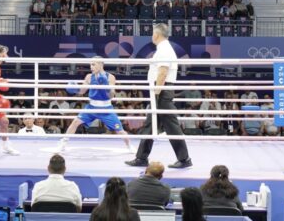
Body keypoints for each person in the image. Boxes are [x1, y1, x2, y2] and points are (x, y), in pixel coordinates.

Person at [125, 23, 192, 168]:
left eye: (152, 33)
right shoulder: (164, 48)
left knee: (172, 126)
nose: (151, 36)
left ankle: (184, 159)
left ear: (156, 34)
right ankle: (141, 158)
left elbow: (162, 72)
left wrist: (156, 93)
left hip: (161, 90)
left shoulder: (164, 49)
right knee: (150, 125)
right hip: (160, 90)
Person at [56, 56, 135, 153]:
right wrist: (75, 89)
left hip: (106, 109)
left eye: (93, 64)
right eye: (90, 64)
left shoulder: (110, 77)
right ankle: (63, 143)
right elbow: (82, 91)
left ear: (101, 64)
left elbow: (111, 95)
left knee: (119, 130)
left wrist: (106, 86)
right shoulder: (89, 77)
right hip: (91, 107)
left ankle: (129, 146)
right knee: (75, 122)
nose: (91, 67)